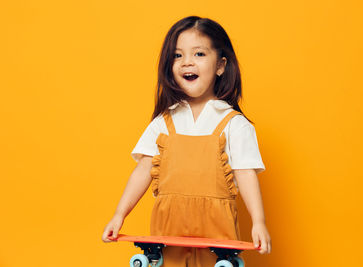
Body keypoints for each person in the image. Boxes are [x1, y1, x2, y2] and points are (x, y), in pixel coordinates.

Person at [102, 16, 271, 266]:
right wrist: (119, 215)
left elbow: (245, 174)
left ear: (221, 65)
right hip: (168, 228)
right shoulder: (163, 121)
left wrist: (258, 221)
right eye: (177, 55)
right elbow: (143, 170)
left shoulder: (234, 124)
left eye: (199, 54)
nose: (187, 62)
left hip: (216, 230)